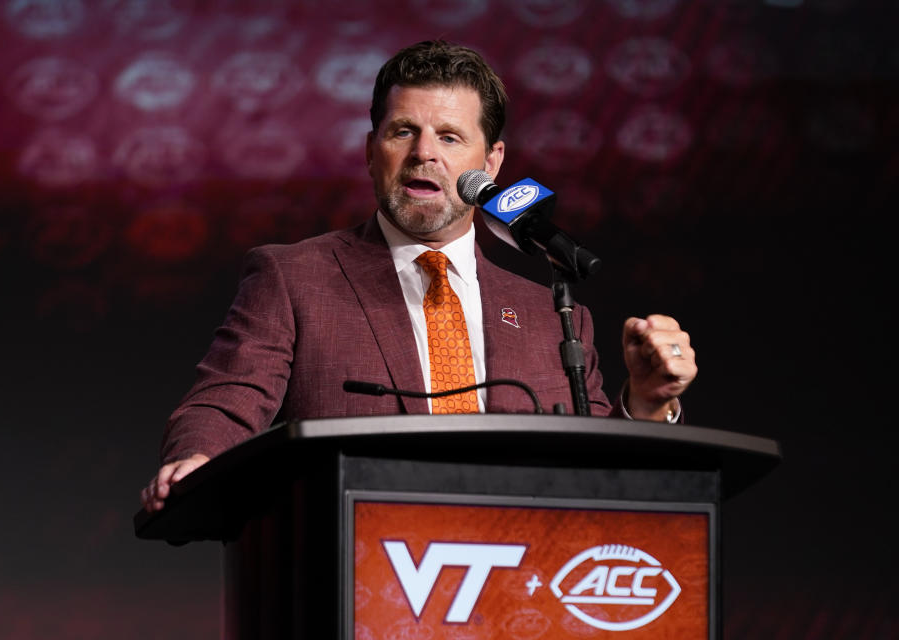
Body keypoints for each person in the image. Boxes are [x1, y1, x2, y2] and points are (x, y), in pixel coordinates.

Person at [140, 41, 697, 513]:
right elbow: (225, 402)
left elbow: (603, 463)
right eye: (403, 131)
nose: (424, 153)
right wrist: (200, 460)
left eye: (450, 137)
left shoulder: (553, 314)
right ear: (370, 150)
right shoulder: (294, 277)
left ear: (493, 163)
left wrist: (646, 403)